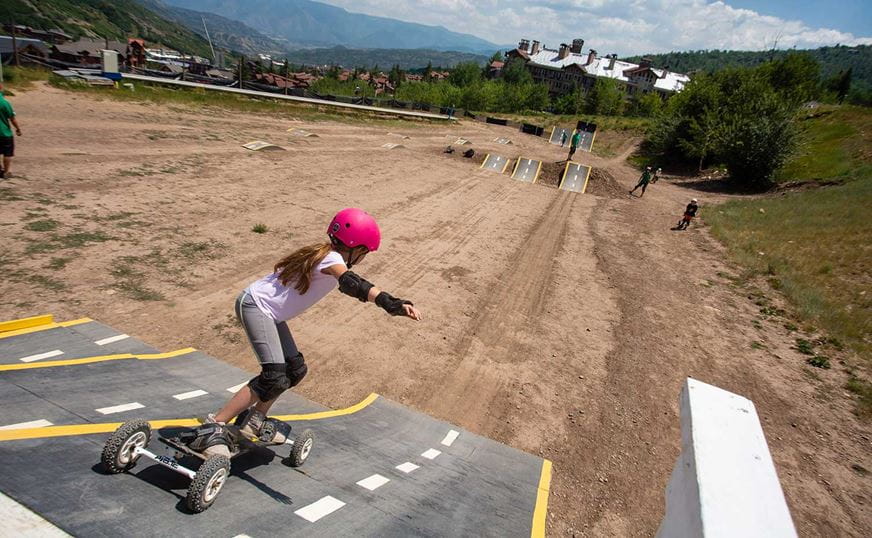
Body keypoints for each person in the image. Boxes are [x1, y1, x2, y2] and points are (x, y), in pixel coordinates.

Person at [187, 209, 422, 456]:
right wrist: (392, 304)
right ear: (356, 247)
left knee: (294, 369)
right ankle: (213, 426)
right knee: (273, 376)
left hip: (268, 312)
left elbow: (348, 284)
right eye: (365, 252)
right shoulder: (333, 260)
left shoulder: (327, 256)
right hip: (257, 306)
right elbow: (354, 284)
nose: (364, 256)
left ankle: (255, 419)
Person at [0, 84, 22, 179]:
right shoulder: (4, 103)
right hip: (4, 132)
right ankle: (6, 171)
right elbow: (12, 118)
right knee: (7, 153)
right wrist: (18, 128)